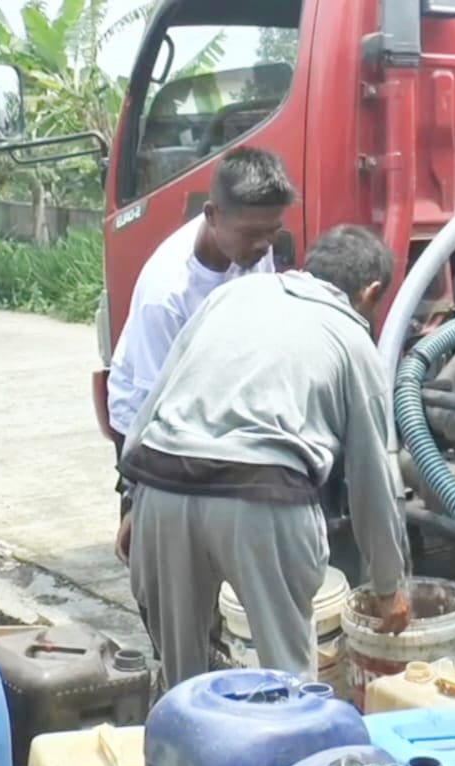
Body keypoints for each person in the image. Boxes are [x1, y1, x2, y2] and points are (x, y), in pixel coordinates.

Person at [119, 225, 413, 685]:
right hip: (264, 498)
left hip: (163, 485)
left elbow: (160, 394)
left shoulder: (233, 296)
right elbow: (370, 480)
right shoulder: (356, 343)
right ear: (371, 293)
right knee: (289, 683)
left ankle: (176, 754)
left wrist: (134, 498)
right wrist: (388, 585)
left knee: (181, 683)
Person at [105, 147, 296, 571]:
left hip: (213, 401)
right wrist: (141, 497)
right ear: (211, 215)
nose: (264, 245)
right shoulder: (167, 293)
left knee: (217, 545)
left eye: (273, 232)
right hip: (150, 417)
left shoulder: (252, 245)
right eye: (253, 234)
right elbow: (152, 410)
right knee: (160, 556)